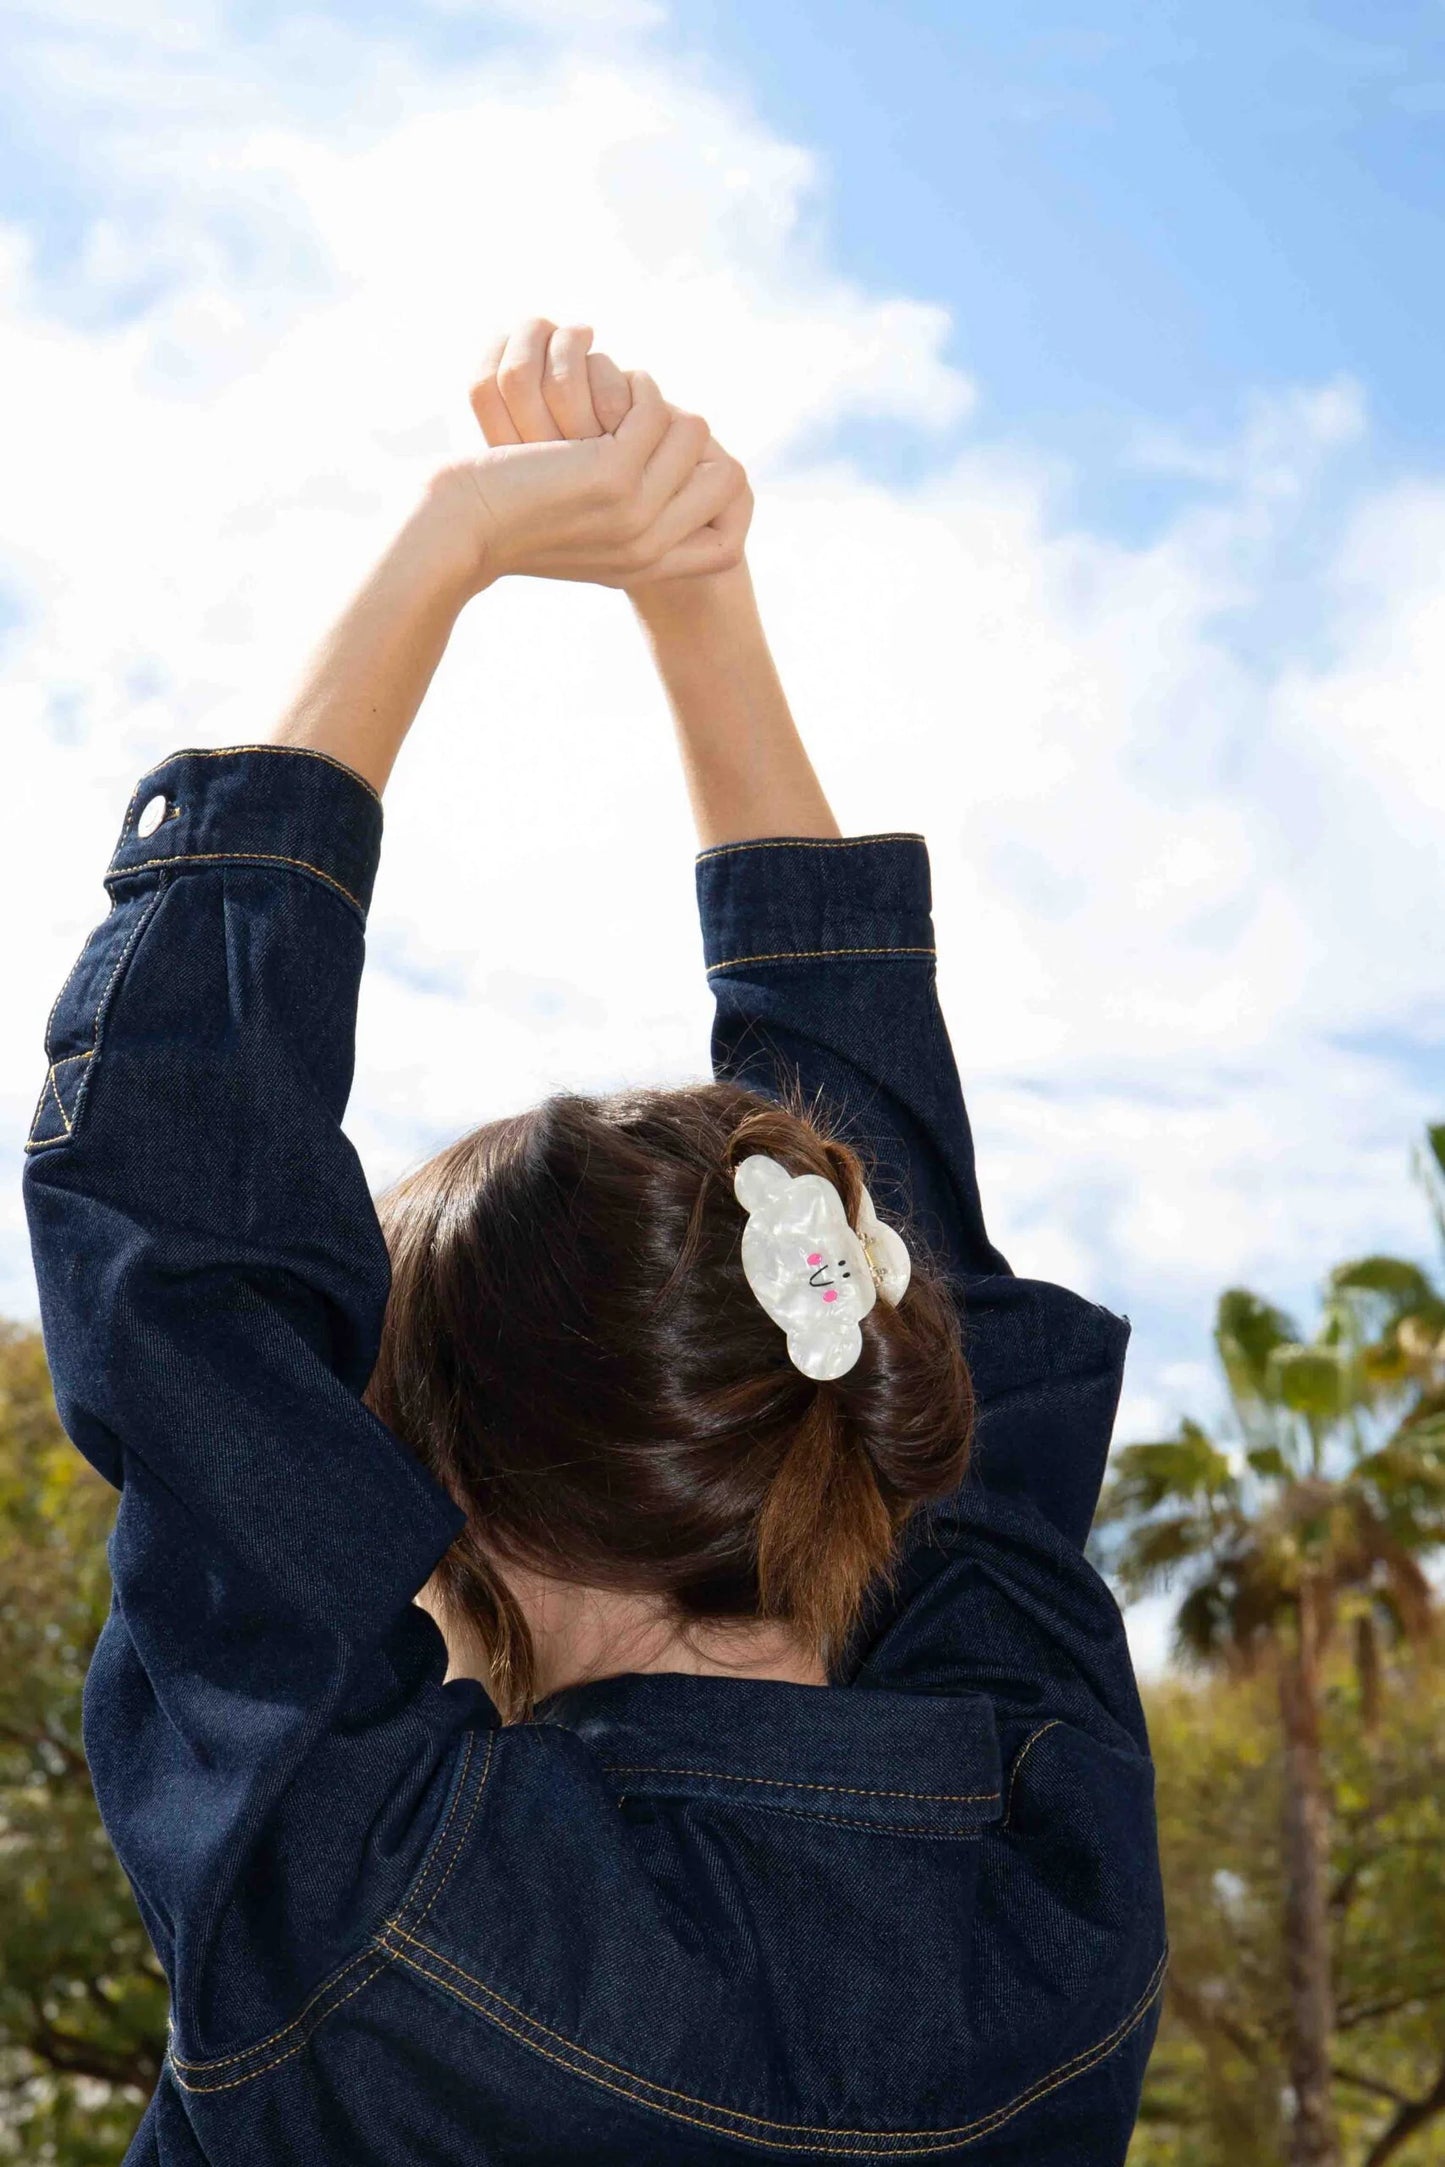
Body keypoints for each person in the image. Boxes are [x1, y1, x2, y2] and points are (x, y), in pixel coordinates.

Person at [22, 318, 1167, 2166]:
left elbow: (183, 1252)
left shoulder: (399, 1914)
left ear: (441, 1483)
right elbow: (185, 1225)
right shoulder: (1055, 1876)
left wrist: (455, 546)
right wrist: (688, 593)